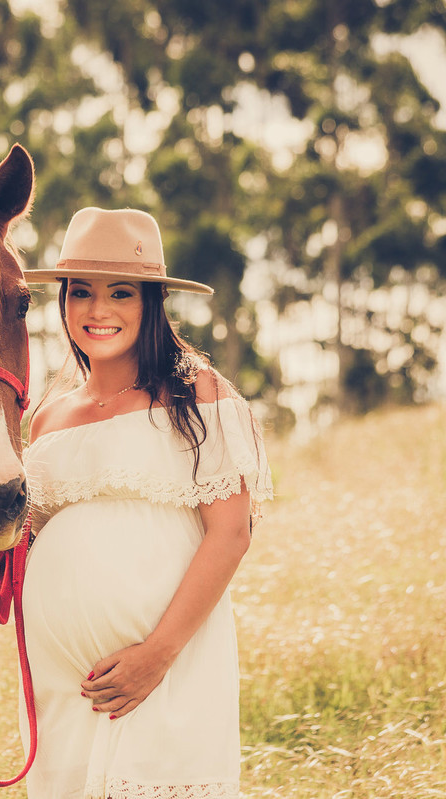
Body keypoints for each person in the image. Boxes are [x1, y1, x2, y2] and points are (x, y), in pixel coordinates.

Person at [18, 207, 273, 798]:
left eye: (120, 293)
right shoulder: (47, 421)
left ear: (151, 303)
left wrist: (156, 655)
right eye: (80, 292)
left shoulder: (195, 394)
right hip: (67, 685)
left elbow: (231, 534)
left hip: (169, 668)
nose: (97, 310)